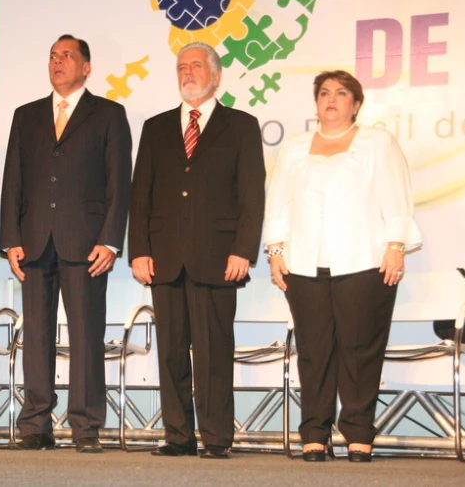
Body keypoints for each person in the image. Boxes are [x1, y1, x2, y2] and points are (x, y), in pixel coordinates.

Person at [263, 70, 422, 463]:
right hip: (304, 264)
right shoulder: (296, 147)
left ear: (356, 103)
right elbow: (278, 201)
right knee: (314, 351)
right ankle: (315, 432)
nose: (331, 99)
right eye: (323, 93)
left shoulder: (377, 142)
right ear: (316, 103)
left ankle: (358, 433)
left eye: (341, 93)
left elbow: (397, 196)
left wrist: (396, 244)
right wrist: (275, 251)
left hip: (365, 261)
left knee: (360, 350)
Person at [129, 42, 265, 459]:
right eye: (182, 66)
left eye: (197, 65)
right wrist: (139, 250)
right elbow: (141, 195)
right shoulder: (155, 127)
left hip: (219, 257)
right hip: (165, 257)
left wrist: (243, 249)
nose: (188, 72)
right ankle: (178, 436)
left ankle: (217, 438)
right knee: (170, 352)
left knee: (213, 352)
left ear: (217, 75)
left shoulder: (241, 125)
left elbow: (251, 194)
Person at [0, 34, 132, 453]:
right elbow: (13, 181)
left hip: (87, 242)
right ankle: (35, 423)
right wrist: (10, 240)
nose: (58, 62)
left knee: (86, 335)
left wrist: (111, 240)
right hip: (35, 242)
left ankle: (86, 425)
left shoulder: (109, 114)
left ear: (86, 66)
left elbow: (119, 182)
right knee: (36, 335)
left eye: (67, 56)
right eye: (53, 56)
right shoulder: (26, 115)